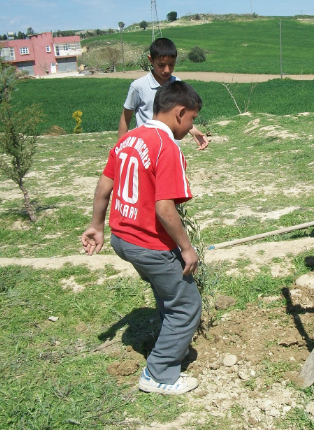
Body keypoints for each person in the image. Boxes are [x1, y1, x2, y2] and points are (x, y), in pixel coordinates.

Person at [82, 81, 203, 394]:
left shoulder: (129, 139)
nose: (191, 126)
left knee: (168, 292)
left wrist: (97, 225)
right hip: (148, 243)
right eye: (192, 119)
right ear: (180, 112)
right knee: (186, 304)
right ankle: (160, 374)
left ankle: (169, 344)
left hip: (122, 239)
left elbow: (104, 184)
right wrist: (186, 248)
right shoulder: (167, 148)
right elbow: (165, 209)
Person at [118, 37, 208, 150]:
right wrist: (121, 148)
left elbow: (181, 115)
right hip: (145, 150)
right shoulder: (138, 86)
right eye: (161, 65)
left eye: (171, 64)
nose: (167, 70)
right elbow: (125, 119)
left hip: (171, 148)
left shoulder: (177, 84)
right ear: (151, 60)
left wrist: (193, 131)